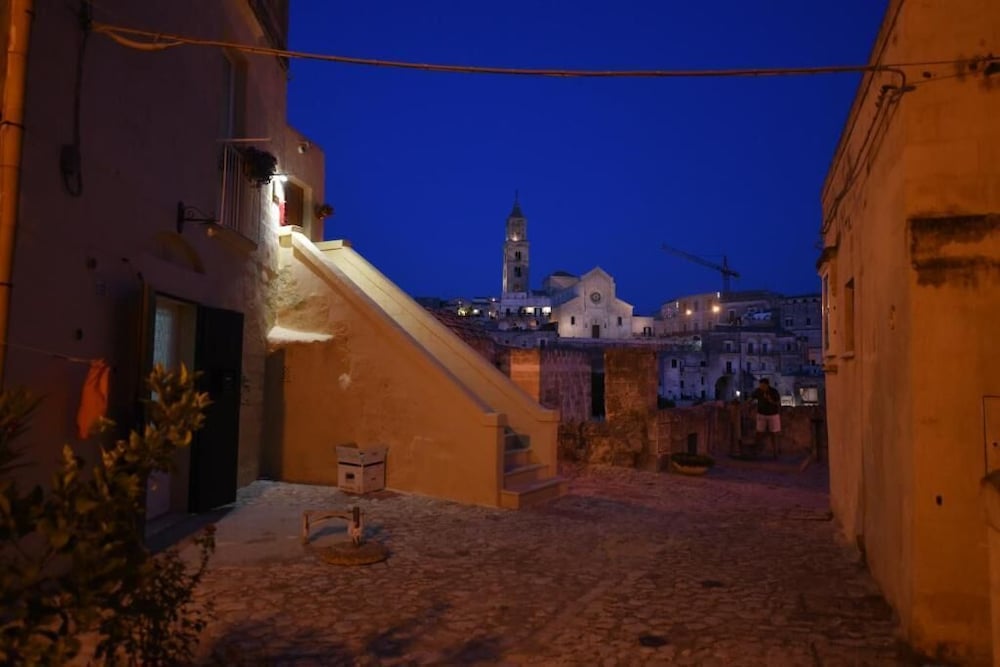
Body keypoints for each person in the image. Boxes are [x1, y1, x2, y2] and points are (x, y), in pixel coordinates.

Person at [750, 378, 781, 458]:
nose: (761, 387)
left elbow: (777, 402)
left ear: (767, 385)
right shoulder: (758, 391)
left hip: (773, 414)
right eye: (760, 385)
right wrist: (746, 403)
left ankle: (775, 452)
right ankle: (756, 451)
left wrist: (770, 400)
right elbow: (752, 398)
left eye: (763, 385)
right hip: (761, 414)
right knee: (759, 433)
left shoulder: (773, 391)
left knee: (774, 433)